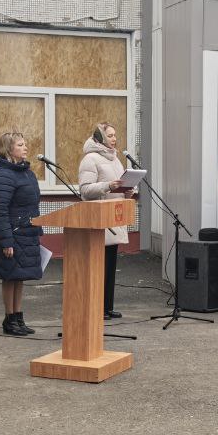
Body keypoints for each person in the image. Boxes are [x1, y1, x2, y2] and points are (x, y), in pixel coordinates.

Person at [78, 122, 136, 320]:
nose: (114, 139)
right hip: (97, 222)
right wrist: (108, 186)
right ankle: (97, 308)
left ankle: (107, 306)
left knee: (110, 266)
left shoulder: (115, 159)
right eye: (110, 135)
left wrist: (127, 191)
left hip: (114, 218)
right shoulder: (90, 159)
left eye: (115, 135)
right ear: (100, 138)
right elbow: (85, 190)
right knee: (97, 268)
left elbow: (117, 186)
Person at [0, 131, 42, 336]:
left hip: (27, 232)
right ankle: (9, 319)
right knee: (9, 276)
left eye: (24, 143)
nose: (25, 147)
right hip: (12, 234)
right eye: (20, 145)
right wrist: (6, 241)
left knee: (20, 277)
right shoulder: (3, 174)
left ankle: (18, 317)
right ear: (8, 149)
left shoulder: (27, 172)